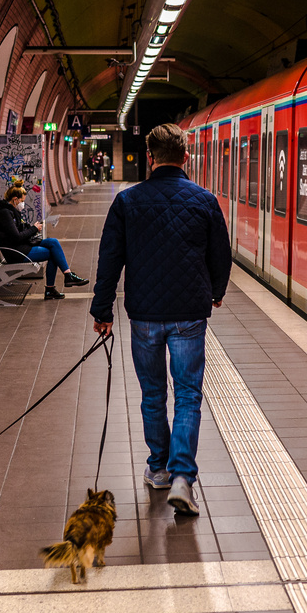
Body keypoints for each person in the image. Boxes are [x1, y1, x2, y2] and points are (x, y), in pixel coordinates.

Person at [91, 123, 232, 516]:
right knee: (188, 395)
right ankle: (184, 478)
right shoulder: (205, 201)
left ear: (150, 157)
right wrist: (216, 292)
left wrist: (102, 310)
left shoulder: (128, 202)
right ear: (185, 157)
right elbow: (221, 254)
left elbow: (109, 260)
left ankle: (158, 470)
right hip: (189, 314)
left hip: (145, 318)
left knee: (153, 395)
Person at [0, 186, 89, 300]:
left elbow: (17, 231)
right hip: (16, 252)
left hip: (21, 246)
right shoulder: (5, 214)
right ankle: (55, 285)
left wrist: (32, 228)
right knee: (53, 253)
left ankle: (67, 276)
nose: (23, 204)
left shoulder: (10, 212)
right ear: (15, 199)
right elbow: (17, 237)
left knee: (53, 242)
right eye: (22, 201)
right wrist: (33, 229)